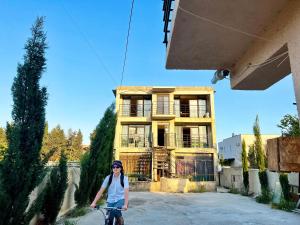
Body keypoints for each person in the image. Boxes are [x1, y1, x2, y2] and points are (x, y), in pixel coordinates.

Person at [90, 160, 129, 225]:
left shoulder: (124, 178)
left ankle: (119, 220)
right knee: (108, 218)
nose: (115, 168)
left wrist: (125, 204)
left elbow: (126, 192)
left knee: (114, 211)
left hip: (120, 199)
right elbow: (101, 191)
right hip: (110, 200)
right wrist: (94, 202)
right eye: (113, 167)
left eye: (117, 167)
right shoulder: (108, 178)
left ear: (120, 168)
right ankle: (119, 219)